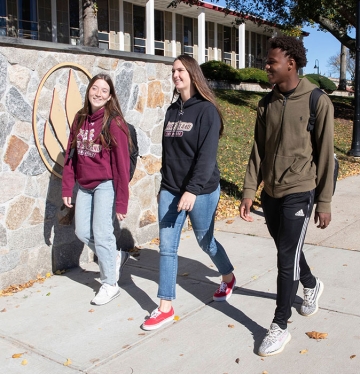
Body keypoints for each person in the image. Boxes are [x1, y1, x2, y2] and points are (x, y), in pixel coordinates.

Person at [240, 36, 334, 356]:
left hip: (300, 190)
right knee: (288, 250)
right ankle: (311, 284)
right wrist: (250, 190)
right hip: (271, 192)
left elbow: (325, 154)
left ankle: (280, 324)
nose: (266, 66)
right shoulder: (265, 104)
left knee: (284, 258)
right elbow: (257, 150)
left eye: (271, 62)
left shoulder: (317, 101)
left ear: (290, 63)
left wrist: (324, 201)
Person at [141, 55, 236, 331]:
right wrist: (164, 188)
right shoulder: (172, 111)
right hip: (172, 189)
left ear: (193, 74)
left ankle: (227, 276)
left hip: (202, 190)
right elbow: (169, 155)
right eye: (173, 71)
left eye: (181, 70)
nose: (176, 75)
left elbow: (206, 158)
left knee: (205, 242)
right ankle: (165, 307)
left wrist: (192, 190)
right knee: (167, 246)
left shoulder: (206, 111)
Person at [62, 73, 131, 306]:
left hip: (105, 185)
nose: (98, 93)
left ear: (110, 96)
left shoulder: (115, 123)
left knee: (102, 233)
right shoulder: (80, 118)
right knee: (82, 232)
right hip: (84, 185)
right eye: (95, 88)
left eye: (104, 90)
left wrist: (122, 201)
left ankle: (110, 284)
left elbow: (121, 166)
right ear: (89, 90)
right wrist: (66, 187)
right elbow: (71, 155)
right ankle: (114, 257)